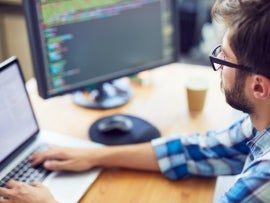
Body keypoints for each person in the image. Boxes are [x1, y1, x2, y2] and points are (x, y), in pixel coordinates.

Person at [1, 0, 270, 202]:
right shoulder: (262, 121)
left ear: (258, 86)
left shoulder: (263, 181)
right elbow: (203, 149)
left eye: (222, 58)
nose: (218, 68)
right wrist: (93, 156)